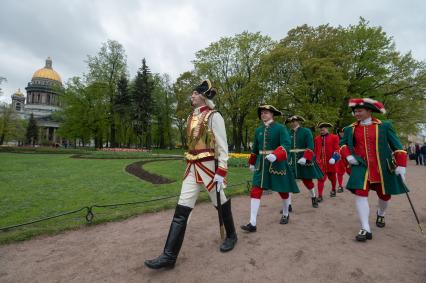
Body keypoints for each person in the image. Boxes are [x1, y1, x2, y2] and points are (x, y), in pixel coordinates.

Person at [145, 80, 237, 269]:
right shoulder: (190, 117)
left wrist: (222, 170)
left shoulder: (214, 116)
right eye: (193, 93)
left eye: (195, 93)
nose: (192, 96)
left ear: (203, 96)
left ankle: (232, 235)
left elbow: (222, 145)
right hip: (192, 168)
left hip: (210, 169)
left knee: (220, 202)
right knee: (182, 209)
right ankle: (169, 256)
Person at [340, 98, 407, 242]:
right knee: (360, 193)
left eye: (359, 111)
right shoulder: (349, 128)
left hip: (382, 167)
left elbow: (398, 146)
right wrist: (348, 156)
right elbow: (342, 145)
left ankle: (381, 212)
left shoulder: (385, 126)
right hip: (360, 166)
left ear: (369, 111)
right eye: (355, 111)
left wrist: (401, 165)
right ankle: (365, 227)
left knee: (384, 196)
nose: (356, 113)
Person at [241, 105, 299, 233]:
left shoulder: (280, 128)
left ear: (272, 114)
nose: (263, 114)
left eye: (266, 112)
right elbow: (255, 148)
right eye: (262, 113)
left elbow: (286, 145)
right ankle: (252, 223)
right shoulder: (258, 130)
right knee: (256, 190)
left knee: (283, 190)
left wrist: (276, 154)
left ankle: (285, 213)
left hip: (277, 163)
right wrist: (252, 162)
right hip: (261, 165)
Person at [286, 115, 323, 208]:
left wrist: (305, 157)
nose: (292, 123)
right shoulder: (287, 132)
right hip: (291, 161)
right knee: (289, 181)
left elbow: (310, 146)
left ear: (298, 121)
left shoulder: (306, 131)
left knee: (307, 181)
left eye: (294, 121)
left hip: (303, 159)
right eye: (291, 121)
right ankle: (288, 205)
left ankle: (313, 197)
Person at [313, 122, 340, 202]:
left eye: (324, 127)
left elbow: (337, 149)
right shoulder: (317, 138)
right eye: (320, 128)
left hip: (331, 162)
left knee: (332, 178)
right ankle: (320, 195)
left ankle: (333, 189)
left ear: (327, 128)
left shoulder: (334, 137)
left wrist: (334, 158)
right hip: (320, 163)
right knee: (320, 179)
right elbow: (315, 150)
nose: (322, 129)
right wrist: (313, 159)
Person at [336, 128, 351, 193]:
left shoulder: (350, 139)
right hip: (339, 158)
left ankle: (354, 185)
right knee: (339, 172)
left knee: (351, 171)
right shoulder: (336, 139)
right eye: (340, 132)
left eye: (343, 132)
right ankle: (340, 186)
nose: (342, 133)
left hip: (348, 157)